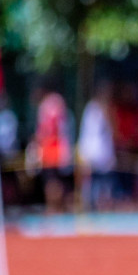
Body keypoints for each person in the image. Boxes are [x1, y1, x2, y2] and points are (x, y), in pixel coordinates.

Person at [26, 81, 73, 212]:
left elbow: (46, 130)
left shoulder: (47, 105)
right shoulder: (58, 102)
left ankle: (54, 208)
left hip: (50, 149)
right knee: (59, 181)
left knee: (52, 182)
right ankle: (58, 208)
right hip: (59, 149)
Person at [76, 81, 117, 211]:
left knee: (104, 186)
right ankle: (92, 208)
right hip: (94, 155)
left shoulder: (102, 109)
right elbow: (89, 135)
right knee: (92, 186)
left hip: (103, 156)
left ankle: (102, 208)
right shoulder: (93, 110)